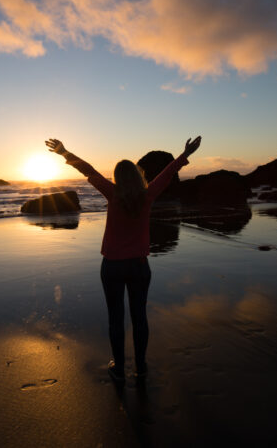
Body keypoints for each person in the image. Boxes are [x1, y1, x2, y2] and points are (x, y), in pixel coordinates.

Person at [46, 136, 202, 381]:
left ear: (117, 178)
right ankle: (140, 366)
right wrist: (184, 154)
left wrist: (65, 152)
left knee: (116, 318)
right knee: (139, 317)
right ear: (138, 176)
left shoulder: (112, 193)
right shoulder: (148, 195)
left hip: (112, 267)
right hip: (139, 266)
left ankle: (119, 367)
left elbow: (87, 169)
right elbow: (168, 172)